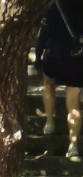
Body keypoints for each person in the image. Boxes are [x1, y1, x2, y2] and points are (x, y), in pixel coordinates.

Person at [35, 0, 83, 160]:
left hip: (54, 57)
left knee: (48, 85)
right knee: (74, 104)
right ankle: (73, 146)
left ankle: (49, 121)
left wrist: (37, 57)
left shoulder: (55, 7)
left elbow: (43, 34)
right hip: (77, 60)